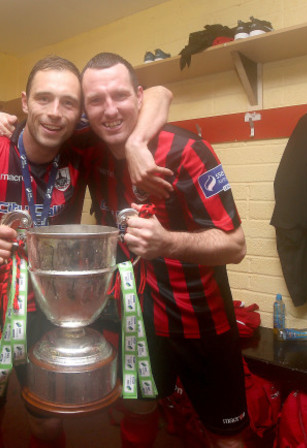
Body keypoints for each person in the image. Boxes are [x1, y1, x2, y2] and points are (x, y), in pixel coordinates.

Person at [0, 55, 172, 448]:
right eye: (44, 99)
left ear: (79, 113)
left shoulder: (80, 147)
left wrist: (138, 142)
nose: (55, 113)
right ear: (24, 103)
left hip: (51, 308)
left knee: (49, 422)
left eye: (69, 103)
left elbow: (158, 92)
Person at [82, 53, 249, 448]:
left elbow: (236, 245)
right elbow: (41, 120)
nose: (109, 110)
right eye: (95, 101)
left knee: (227, 436)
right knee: (138, 413)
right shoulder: (89, 147)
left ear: (139, 97)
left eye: (120, 96)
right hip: (136, 322)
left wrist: (167, 243)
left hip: (202, 324)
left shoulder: (188, 150)